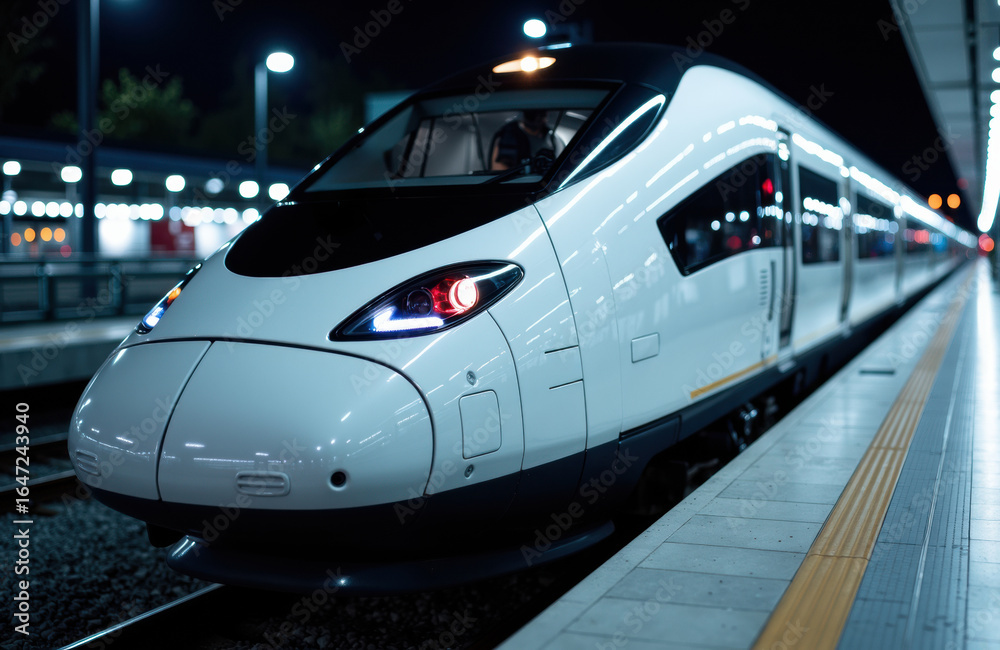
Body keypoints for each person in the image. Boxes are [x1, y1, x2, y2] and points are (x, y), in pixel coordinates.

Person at [490, 109, 563, 173]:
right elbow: (499, 170)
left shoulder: (552, 137)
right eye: (534, 112)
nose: (538, 117)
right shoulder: (508, 135)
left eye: (542, 113)